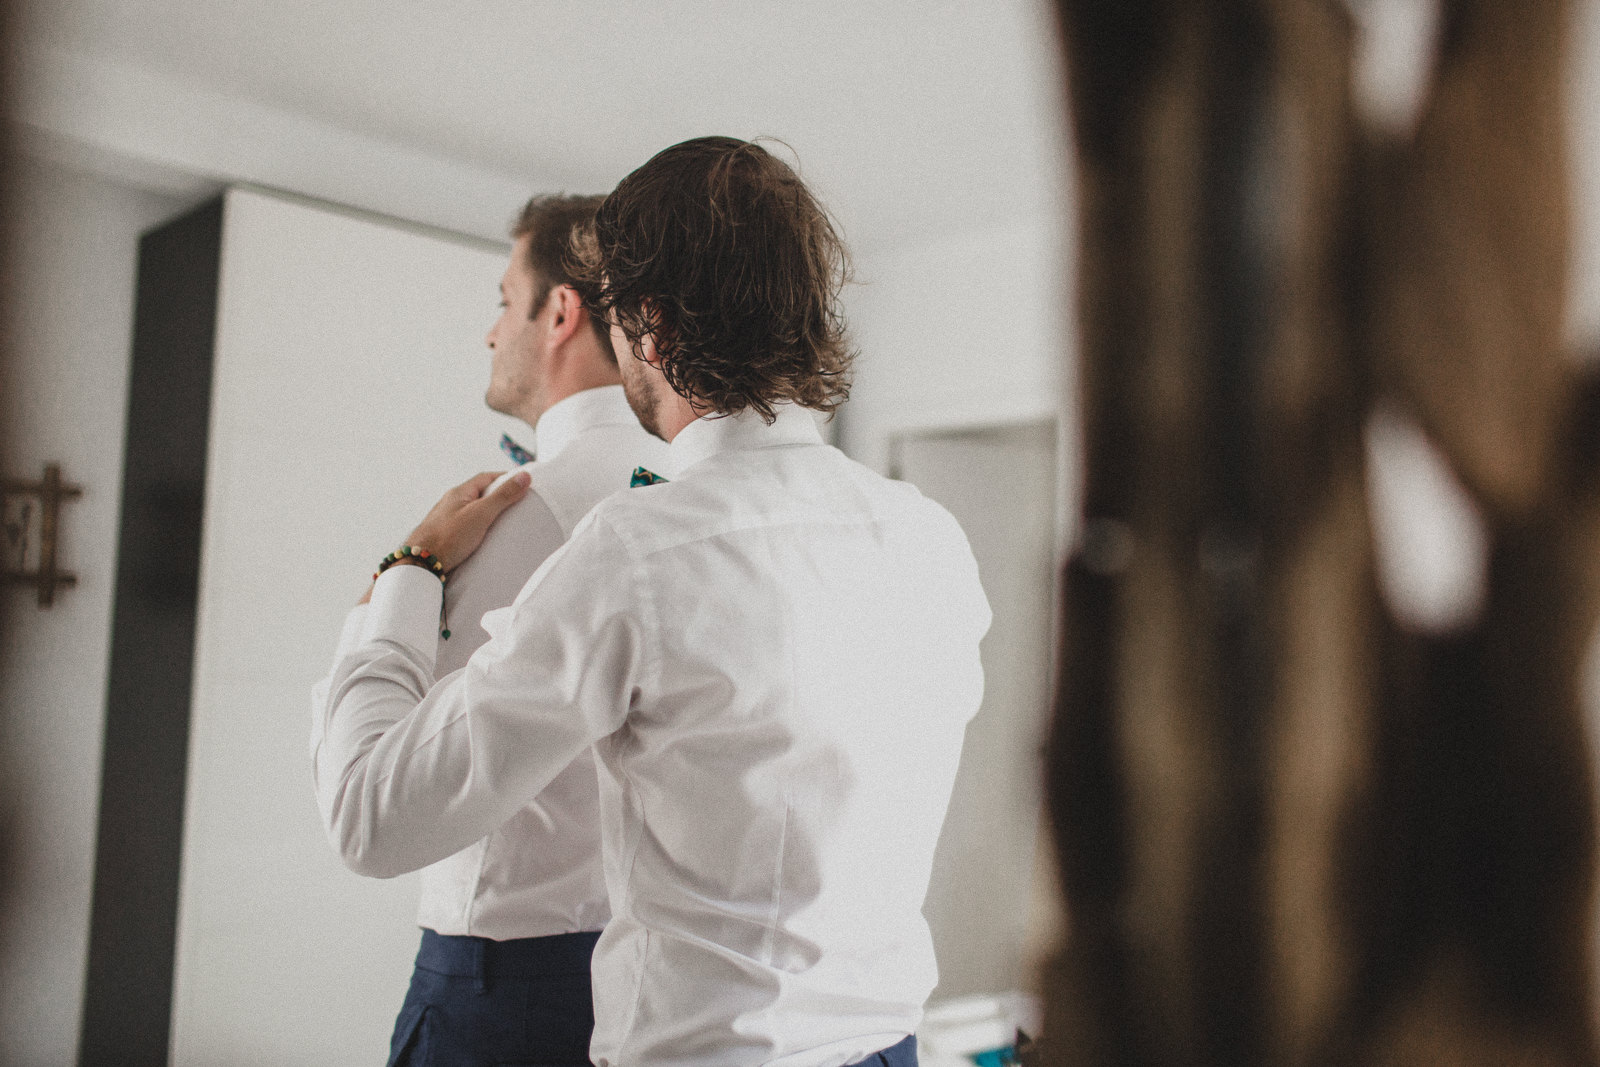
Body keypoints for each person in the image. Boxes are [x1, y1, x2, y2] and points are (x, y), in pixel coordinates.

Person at [314, 137, 991, 1066]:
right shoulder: (931, 538)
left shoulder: (637, 552)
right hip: (886, 1048)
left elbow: (373, 818)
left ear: (652, 327)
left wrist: (405, 575)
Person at [311, 194, 671, 1066]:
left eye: (505, 300)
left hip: (503, 994)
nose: (490, 331)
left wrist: (404, 572)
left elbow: (364, 782)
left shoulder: (524, 512)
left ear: (560, 311)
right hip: (647, 983)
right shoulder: (684, 492)